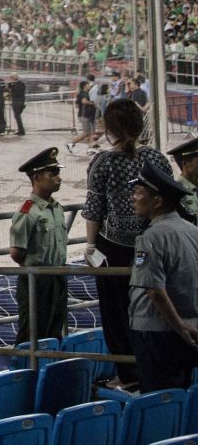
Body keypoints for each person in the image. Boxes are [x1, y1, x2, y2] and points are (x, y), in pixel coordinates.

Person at [83, 98, 170, 389]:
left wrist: (90, 247)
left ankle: (129, 375)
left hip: (114, 250)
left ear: (109, 128)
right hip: (155, 242)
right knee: (156, 306)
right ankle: (158, 367)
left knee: (117, 312)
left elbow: (95, 209)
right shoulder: (157, 158)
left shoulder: (104, 161)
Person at [129, 162, 198, 391]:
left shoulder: (150, 238)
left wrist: (179, 327)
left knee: (159, 397)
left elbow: (154, 291)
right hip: (190, 329)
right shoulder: (192, 231)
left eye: (139, 192)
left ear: (157, 202)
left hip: (157, 332)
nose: (133, 197)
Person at [10, 148, 70, 345]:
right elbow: (17, 252)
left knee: (54, 329)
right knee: (33, 332)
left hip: (58, 276)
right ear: (36, 177)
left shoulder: (57, 208)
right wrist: (36, 267)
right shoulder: (29, 211)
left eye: (58, 173)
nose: (58, 178)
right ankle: (25, 371)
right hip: (37, 279)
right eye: (52, 174)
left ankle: (49, 370)